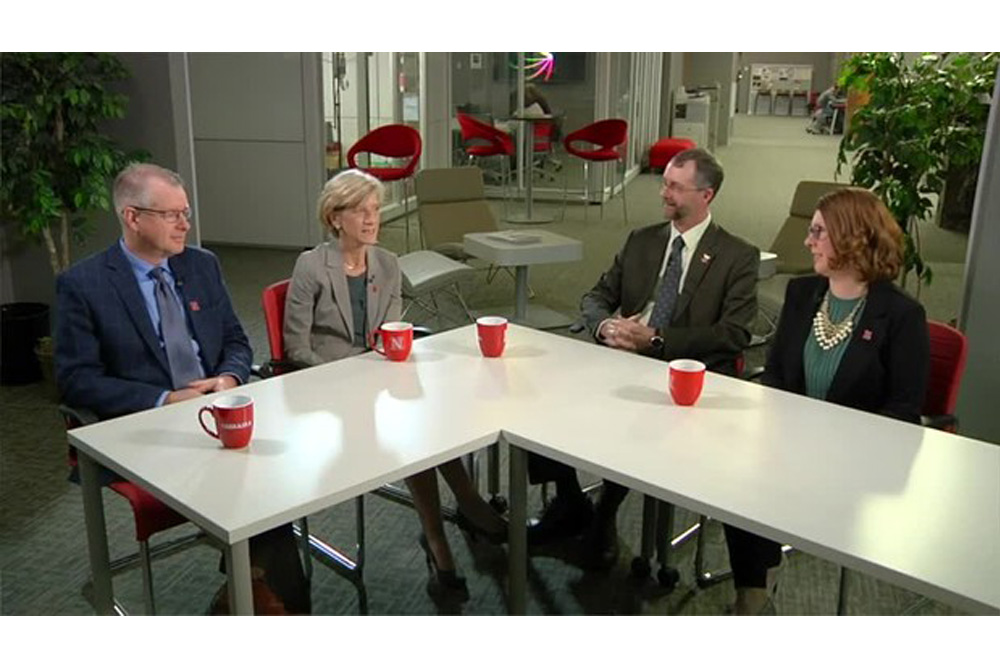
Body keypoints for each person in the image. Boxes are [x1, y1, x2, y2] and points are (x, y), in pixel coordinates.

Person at [55, 163, 310, 614]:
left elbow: (235, 339)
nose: (185, 224)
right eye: (171, 214)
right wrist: (165, 399)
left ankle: (248, 594)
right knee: (263, 489)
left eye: (186, 212)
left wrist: (228, 378)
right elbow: (77, 380)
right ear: (132, 217)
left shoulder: (201, 264)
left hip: (219, 412)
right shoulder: (84, 284)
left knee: (286, 470)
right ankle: (265, 601)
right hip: (146, 430)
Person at [527, 148, 760, 570]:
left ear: (706, 195)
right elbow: (596, 296)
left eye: (675, 186)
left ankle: (605, 512)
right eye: (664, 182)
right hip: (620, 356)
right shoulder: (642, 240)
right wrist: (605, 328)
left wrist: (655, 340)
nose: (663, 193)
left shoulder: (736, 256)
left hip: (683, 374)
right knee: (536, 394)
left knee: (636, 426)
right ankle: (568, 499)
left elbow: (733, 335)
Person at [283, 169, 507, 602]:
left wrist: (386, 365)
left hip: (379, 381)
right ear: (334, 217)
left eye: (375, 210)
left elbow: (391, 330)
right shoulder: (310, 266)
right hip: (329, 392)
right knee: (412, 432)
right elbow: (296, 348)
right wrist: (351, 374)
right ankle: (453, 525)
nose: (372, 219)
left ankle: (456, 518)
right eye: (361, 211)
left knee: (433, 416)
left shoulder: (386, 263)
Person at [725, 187, 930, 615]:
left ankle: (757, 586)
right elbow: (778, 372)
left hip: (854, 462)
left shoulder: (901, 316)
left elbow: (903, 410)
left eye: (818, 231)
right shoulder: (802, 295)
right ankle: (755, 592)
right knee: (733, 476)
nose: (807, 240)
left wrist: (830, 445)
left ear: (852, 237)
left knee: (759, 484)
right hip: (789, 447)